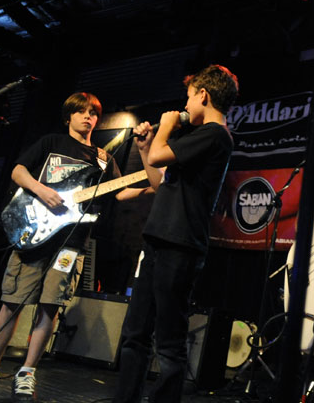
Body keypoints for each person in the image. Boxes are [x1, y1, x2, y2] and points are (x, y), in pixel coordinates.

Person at [0, 92, 147, 401]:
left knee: (51, 307)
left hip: (71, 242)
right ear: (69, 117)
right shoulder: (51, 143)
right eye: (81, 112)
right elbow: (18, 170)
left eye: (93, 112)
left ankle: (26, 374)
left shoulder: (104, 158)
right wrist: (42, 189)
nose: (88, 116)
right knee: (13, 301)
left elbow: (117, 193)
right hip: (34, 230)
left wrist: (151, 184)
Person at [113, 64, 238, 403]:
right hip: (159, 239)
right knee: (135, 334)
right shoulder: (200, 137)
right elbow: (161, 179)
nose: (184, 107)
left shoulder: (215, 135)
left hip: (180, 246)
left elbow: (160, 154)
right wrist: (144, 148)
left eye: (188, 98)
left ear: (203, 95)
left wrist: (167, 124)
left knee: (168, 341)